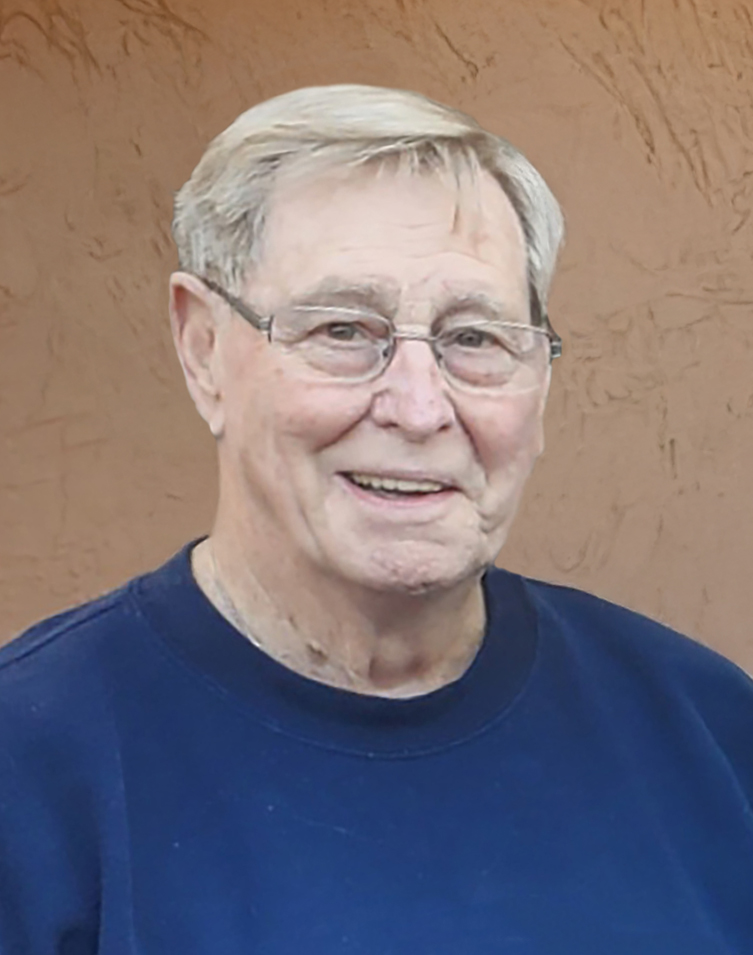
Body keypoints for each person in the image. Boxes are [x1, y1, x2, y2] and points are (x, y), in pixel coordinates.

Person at [0, 85, 751, 955]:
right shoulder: (33, 768)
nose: (419, 407)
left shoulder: (706, 733)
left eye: (474, 337)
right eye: (343, 329)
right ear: (203, 349)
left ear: (541, 380)